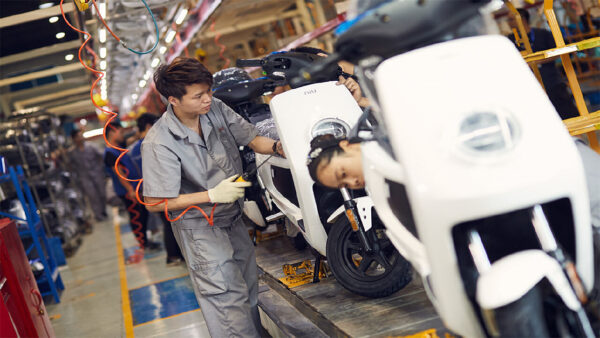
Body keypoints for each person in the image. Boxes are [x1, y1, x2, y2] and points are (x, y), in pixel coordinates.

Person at [141, 57, 284, 337]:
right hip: (200, 228)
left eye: (208, 90)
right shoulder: (159, 142)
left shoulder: (214, 108)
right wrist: (210, 194)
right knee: (225, 298)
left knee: (248, 288)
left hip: (232, 216)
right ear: (174, 100)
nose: (207, 98)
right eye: (198, 96)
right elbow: (155, 202)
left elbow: (254, 139)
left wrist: (281, 147)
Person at [131, 113, 185, 266]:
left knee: (167, 223)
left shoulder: (133, 149)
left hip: (147, 192)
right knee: (171, 223)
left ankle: (175, 255)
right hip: (163, 189)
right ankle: (173, 256)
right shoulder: (152, 144)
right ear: (149, 126)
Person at [507, 8, 579, 120]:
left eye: (511, 19)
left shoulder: (543, 34)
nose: (508, 22)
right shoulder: (509, 41)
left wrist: (537, 61)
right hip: (529, 87)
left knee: (568, 115)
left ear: (522, 19)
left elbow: (559, 52)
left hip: (552, 82)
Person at [104, 121, 159, 251]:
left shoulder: (119, 147)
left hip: (136, 188)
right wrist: (130, 190)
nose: (123, 135)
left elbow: (133, 139)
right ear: (111, 132)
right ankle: (143, 243)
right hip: (128, 192)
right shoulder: (110, 153)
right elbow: (119, 173)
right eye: (120, 132)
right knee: (136, 216)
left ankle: (145, 240)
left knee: (143, 215)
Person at [69, 130, 107, 221]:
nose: (80, 138)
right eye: (78, 137)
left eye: (81, 136)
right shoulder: (73, 152)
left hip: (97, 173)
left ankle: (103, 211)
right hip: (85, 177)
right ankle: (98, 215)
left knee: (102, 194)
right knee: (92, 196)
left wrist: (101, 168)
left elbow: (101, 156)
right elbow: (70, 165)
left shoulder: (91, 146)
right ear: (74, 139)